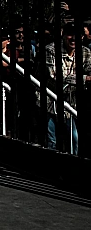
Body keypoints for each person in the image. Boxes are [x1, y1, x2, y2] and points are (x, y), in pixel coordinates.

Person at [43, 24, 90, 154]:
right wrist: (84, 78)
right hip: (49, 100)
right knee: (51, 139)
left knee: (74, 139)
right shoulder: (51, 50)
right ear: (63, 35)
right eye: (70, 35)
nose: (74, 38)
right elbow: (55, 75)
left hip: (71, 102)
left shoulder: (85, 52)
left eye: (78, 35)